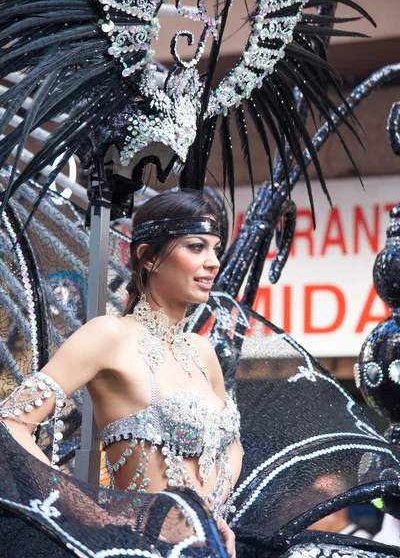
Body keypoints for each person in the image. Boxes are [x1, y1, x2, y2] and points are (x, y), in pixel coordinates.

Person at [0, 189, 242, 558]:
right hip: (138, 548)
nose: (213, 262)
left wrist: (207, 518)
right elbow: (11, 423)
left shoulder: (203, 351)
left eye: (215, 249)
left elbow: (233, 448)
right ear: (148, 258)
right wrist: (93, 510)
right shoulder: (109, 335)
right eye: (196, 247)